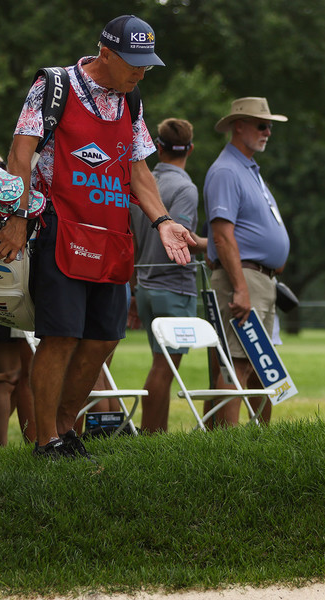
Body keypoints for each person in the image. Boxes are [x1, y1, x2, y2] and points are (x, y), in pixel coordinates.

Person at [0, 15, 203, 458]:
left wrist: (163, 221)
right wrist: (17, 216)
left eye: (147, 64)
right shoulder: (54, 86)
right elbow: (20, 154)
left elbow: (138, 168)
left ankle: (66, 428)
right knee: (61, 335)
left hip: (111, 236)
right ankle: (45, 439)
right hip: (57, 229)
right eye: (134, 62)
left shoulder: (132, 100)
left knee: (105, 337)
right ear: (105, 53)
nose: (141, 72)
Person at [203, 97, 290, 428]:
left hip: (259, 279)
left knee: (259, 365)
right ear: (238, 126)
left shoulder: (247, 168)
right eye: (261, 125)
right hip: (244, 279)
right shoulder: (226, 170)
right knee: (237, 364)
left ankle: (258, 442)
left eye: (269, 126)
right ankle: (227, 448)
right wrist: (240, 287)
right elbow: (223, 235)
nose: (268, 131)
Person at [129, 118, 201, 433]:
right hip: (173, 288)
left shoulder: (141, 184)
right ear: (191, 148)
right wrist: (219, 246)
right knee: (165, 367)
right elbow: (183, 239)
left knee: (161, 364)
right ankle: (151, 435)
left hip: (143, 285)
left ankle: (155, 433)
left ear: (157, 147)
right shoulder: (184, 187)